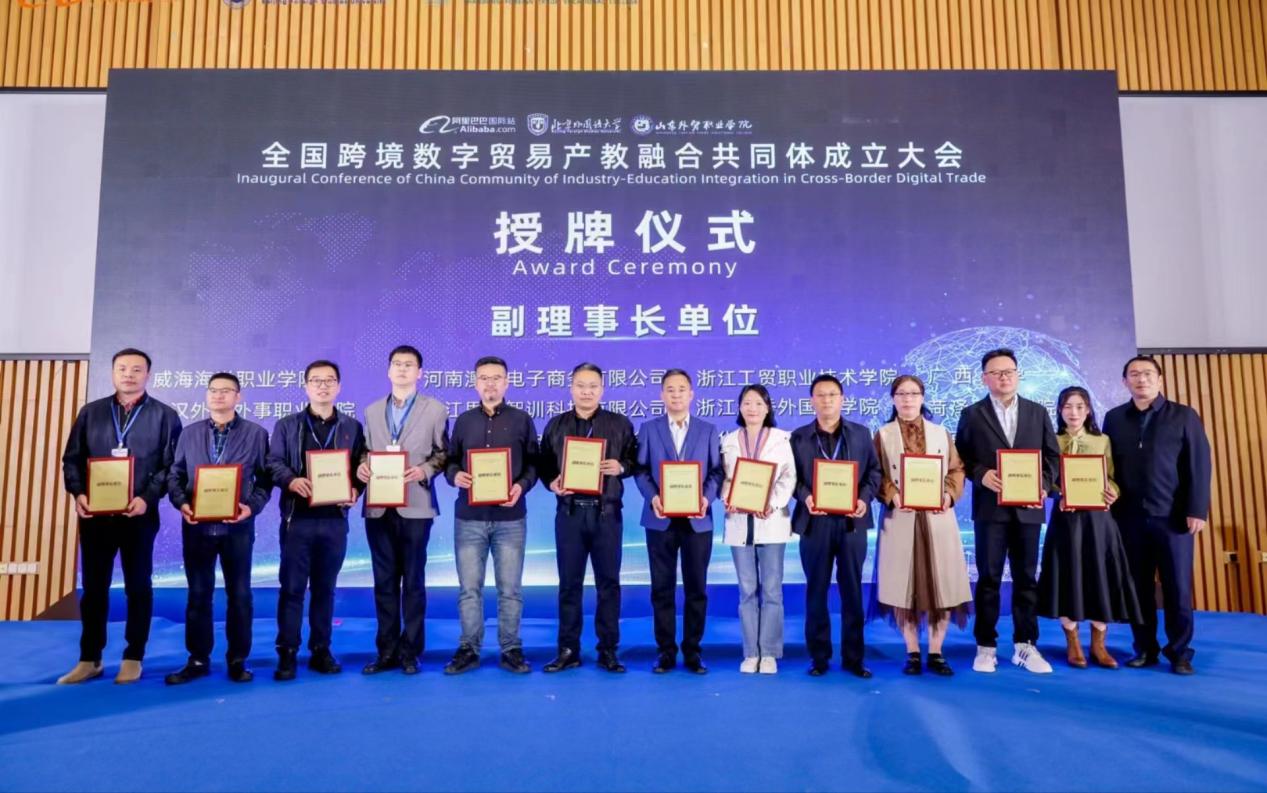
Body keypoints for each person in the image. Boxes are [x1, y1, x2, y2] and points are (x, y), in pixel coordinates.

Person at [58, 348, 182, 685]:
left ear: (148, 375)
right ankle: (90, 658)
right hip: (95, 516)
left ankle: (133, 656)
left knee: (138, 587)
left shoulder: (165, 416)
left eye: (136, 369)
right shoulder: (91, 412)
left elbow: (171, 466)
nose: (129, 374)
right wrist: (78, 493)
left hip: (138, 516)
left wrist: (146, 498)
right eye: (122, 368)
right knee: (93, 588)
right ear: (113, 373)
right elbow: (72, 459)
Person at [1103, 355, 1211, 675]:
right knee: (1138, 589)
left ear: (1160, 379)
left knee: (1178, 588)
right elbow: (1107, 467)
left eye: (1148, 374)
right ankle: (1145, 649)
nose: (1142, 379)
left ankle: (1180, 653)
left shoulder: (1184, 415)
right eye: (1134, 374)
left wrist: (1196, 509)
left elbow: (1199, 464)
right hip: (1128, 518)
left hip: (1173, 518)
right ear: (1125, 381)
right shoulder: (1114, 418)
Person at [955, 348, 1060, 674]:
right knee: (988, 578)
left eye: (1009, 371)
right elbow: (962, 459)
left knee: (1026, 578)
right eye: (996, 372)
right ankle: (986, 646)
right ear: (984, 378)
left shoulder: (1037, 412)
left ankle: (1025, 645)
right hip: (991, 511)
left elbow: (1052, 458)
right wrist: (981, 474)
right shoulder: (972, 414)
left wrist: (1044, 486)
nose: (1004, 377)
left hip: (1028, 509)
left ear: (1017, 375)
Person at [164, 372, 273, 685]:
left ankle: (237, 660)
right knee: (199, 594)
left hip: (237, 527)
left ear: (238, 397)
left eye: (226, 390)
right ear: (207, 395)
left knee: (240, 595)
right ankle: (198, 659)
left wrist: (252, 507)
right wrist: (181, 503)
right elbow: (175, 475)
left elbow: (265, 479)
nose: (219, 395)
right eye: (213, 390)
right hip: (197, 527)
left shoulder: (256, 433)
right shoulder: (189, 434)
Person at [266, 359, 366, 681]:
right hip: (298, 519)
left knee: (325, 589)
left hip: (334, 520)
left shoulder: (352, 427)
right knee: (292, 589)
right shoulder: (287, 425)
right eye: (316, 380)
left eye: (329, 380)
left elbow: (361, 467)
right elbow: (273, 462)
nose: (323, 386)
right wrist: (291, 480)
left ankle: (321, 649)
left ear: (339, 386)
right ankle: (287, 652)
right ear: (306, 386)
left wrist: (356, 489)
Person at [537, 363, 638, 674]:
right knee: (569, 584)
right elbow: (543, 464)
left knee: (609, 584)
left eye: (593, 386)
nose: (586, 391)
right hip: (570, 514)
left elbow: (635, 459)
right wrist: (551, 482)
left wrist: (621, 467)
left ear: (602, 389)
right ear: (571, 388)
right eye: (581, 385)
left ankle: (608, 650)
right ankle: (568, 649)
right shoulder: (556, 425)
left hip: (606, 514)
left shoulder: (619, 424)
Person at [443, 356, 539, 675]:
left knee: (510, 589)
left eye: (497, 378)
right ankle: (469, 648)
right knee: (469, 588)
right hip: (469, 517)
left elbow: (534, 464)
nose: (490, 384)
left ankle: (510, 648)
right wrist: (454, 475)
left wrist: (521, 486)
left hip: (510, 519)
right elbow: (450, 460)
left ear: (507, 382)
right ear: (475, 383)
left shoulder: (522, 420)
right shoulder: (463, 421)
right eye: (484, 378)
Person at [871, 375, 972, 676]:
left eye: (913, 393)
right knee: (903, 586)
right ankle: (913, 651)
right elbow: (875, 474)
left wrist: (948, 495)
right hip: (900, 518)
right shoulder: (883, 435)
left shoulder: (941, 433)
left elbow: (957, 469)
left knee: (942, 585)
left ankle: (937, 652)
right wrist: (892, 495)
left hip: (937, 518)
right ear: (893, 399)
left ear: (923, 398)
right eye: (901, 394)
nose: (908, 399)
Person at [356, 345, 449, 676]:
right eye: (397, 364)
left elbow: (443, 453)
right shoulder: (371, 411)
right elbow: (365, 452)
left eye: (409, 365)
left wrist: (423, 470)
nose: (402, 369)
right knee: (383, 582)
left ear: (419, 373)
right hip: (379, 506)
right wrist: (362, 466)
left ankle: (411, 651)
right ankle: (386, 651)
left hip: (416, 505)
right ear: (388, 370)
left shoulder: (435, 409)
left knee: (413, 582)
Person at [1037, 386, 1142, 670]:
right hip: (1066, 520)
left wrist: (1112, 492)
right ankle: (1073, 643)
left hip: (1099, 521)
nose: (1074, 412)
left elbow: (1113, 478)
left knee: (1100, 576)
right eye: (1068, 406)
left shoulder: (1102, 440)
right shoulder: (1051, 441)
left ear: (1088, 410)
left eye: (1080, 406)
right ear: (1059, 410)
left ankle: (1098, 645)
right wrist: (1058, 494)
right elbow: (1046, 479)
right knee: (1067, 576)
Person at [790, 374, 882, 678]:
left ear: (842, 399)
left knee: (852, 590)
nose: (826, 400)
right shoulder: (799, 437)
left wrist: (864, 499)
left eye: (832, 394)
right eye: (820, 395)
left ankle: (854, 658)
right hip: (814, 523)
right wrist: (805, 496)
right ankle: (819, 657)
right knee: (816, 591)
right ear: (812, 400)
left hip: (851, 522)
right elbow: (791, 479)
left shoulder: (861, 434)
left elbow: (874, 473)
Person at [634, 369, 724, 674]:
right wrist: (653, 498)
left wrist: (706, 499)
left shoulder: (708, 430)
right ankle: (665, 652)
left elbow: (717, 472)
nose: (676, 394)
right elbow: (641, 470)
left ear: (691, 394)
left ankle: (693, 651)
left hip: (697, 520)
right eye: (670, 389)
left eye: (681, 389)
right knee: (662, 588)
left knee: (696, 588)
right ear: (662, 395)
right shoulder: (649, 429)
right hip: (660, 518)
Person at [720, 384, 795, 674]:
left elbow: (788, 477)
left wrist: (772, 503)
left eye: (758, 403)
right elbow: (724, 478)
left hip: (771, 521)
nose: (752, 408)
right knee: (747, 590)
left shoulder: (781, 439)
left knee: (772, 590)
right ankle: (751, 652)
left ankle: (770, 653)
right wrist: (728, 497)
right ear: (740, 407)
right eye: (747, 403)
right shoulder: (728, 441)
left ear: (767, 408)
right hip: (739, 522)